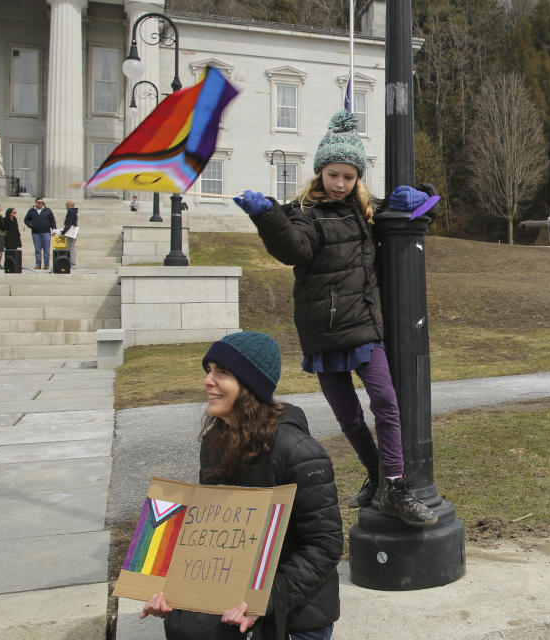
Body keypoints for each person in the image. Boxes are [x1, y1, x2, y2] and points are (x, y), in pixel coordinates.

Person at [233, 110, 440, 528]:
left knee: (385, 402)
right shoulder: (302, 214)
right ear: (320, 172)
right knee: (347, 417)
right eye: (333, 175)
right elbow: (294, 250)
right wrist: (266, 216)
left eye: (348, 176)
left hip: (364, 327)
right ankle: (375, 474)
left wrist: (420, 197)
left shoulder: (365, 211)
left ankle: (395, 485)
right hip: (323, 331)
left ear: (357, 177)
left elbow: (418, 213)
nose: (340, 183)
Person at [140, 331, 342, 640]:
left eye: (222, 373)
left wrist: (265, 601)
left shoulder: (299, 452)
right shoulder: (214, 442)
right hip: (234, 592)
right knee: (182, 628)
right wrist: (171, 588)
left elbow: (324, 546)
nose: (208, 380)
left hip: (296, 612)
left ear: (249, 386)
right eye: (209, 370)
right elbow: (209, 533)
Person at [23, 197, 55, 269]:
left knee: (46, 249)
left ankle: (46, 265)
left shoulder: (48, 210)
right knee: (37, 249)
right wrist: (30, 225)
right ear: (36, 203)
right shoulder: (31, 211)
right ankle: (38, 264)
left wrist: (53, 230)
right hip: (36, 232)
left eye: (41, 202)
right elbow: (26, 220)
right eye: (39, 202)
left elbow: (52, 221)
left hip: (46, 232)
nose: (40, 203)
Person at [61, 200, 79, 268]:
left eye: (66, 205)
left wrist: (63, 233)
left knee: (70, 247)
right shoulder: (74, 212)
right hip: (74, 231)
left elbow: (68, 223)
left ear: (69, 205)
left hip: (70, 232)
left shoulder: (70, 212)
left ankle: (71, 263)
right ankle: (72, 262)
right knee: (72, 247)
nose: (66, 206)